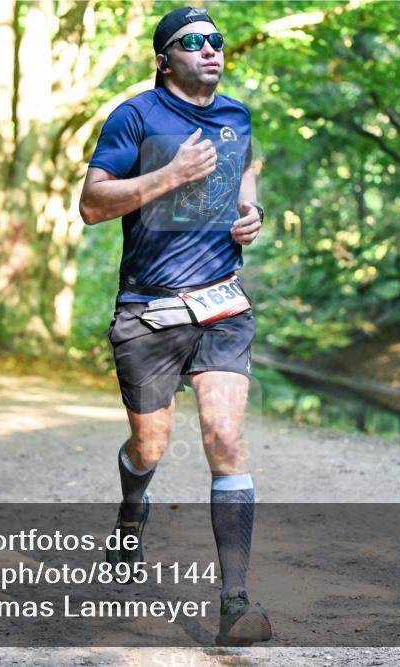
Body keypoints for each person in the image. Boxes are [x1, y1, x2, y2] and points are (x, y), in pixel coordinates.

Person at [79, 6, 271, 648]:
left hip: (221, 305)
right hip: (148, 309)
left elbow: (246, 165)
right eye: (193, 42)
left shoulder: (236, 115)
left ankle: (235, 602)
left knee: (226, 438)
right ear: (164, 59)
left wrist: (250, 210)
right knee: (150, 447)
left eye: (216, 40)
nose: (211, 49)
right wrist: (170, 176)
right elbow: (92, 205)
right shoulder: (135, 116)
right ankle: (132, 509)